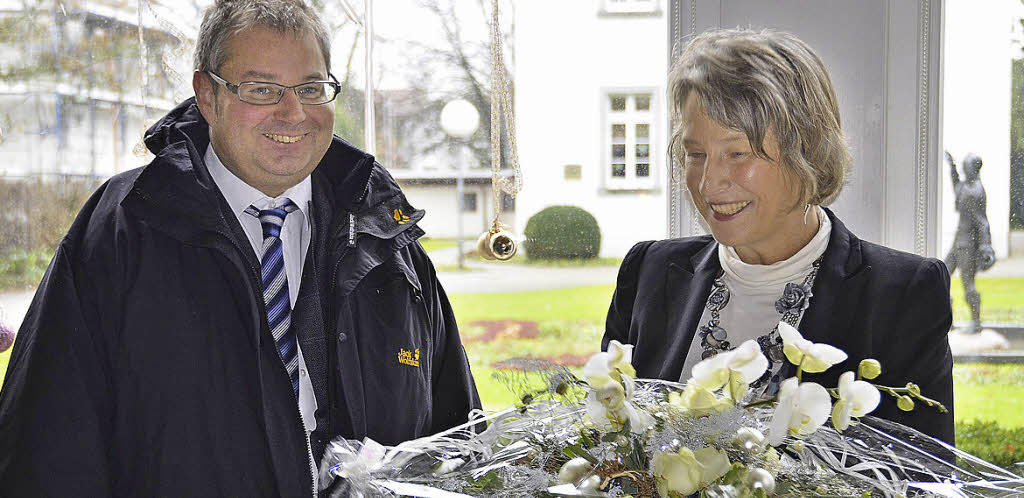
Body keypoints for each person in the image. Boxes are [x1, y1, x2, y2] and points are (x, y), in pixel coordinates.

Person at [0, 0, 480, 495]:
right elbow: (46, 447)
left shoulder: (384, 232)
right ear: (207, 95)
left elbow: (460, 443)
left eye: (312, 88)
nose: (293, 113)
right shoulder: (120, 228)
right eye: (262, 89)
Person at [603, 28, 954, 444]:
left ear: (806, 150)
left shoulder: (903, 294)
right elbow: (606, 442)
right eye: (695, 155)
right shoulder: (650, 271)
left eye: (738, 153)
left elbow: (920, 478)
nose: (708, 183)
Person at [944, 151, 996, 334]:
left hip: (968, 246)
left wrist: (985, 246)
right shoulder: (966, 185)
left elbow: (982, 222)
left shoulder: (976, 191)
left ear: (973, 168)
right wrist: (952, 168)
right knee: (940, 275)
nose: (965, 171)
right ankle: (946, 319)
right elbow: (957, 187)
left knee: (968, 283)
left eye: (966, 167)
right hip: (958, 241)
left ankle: (976, 321)